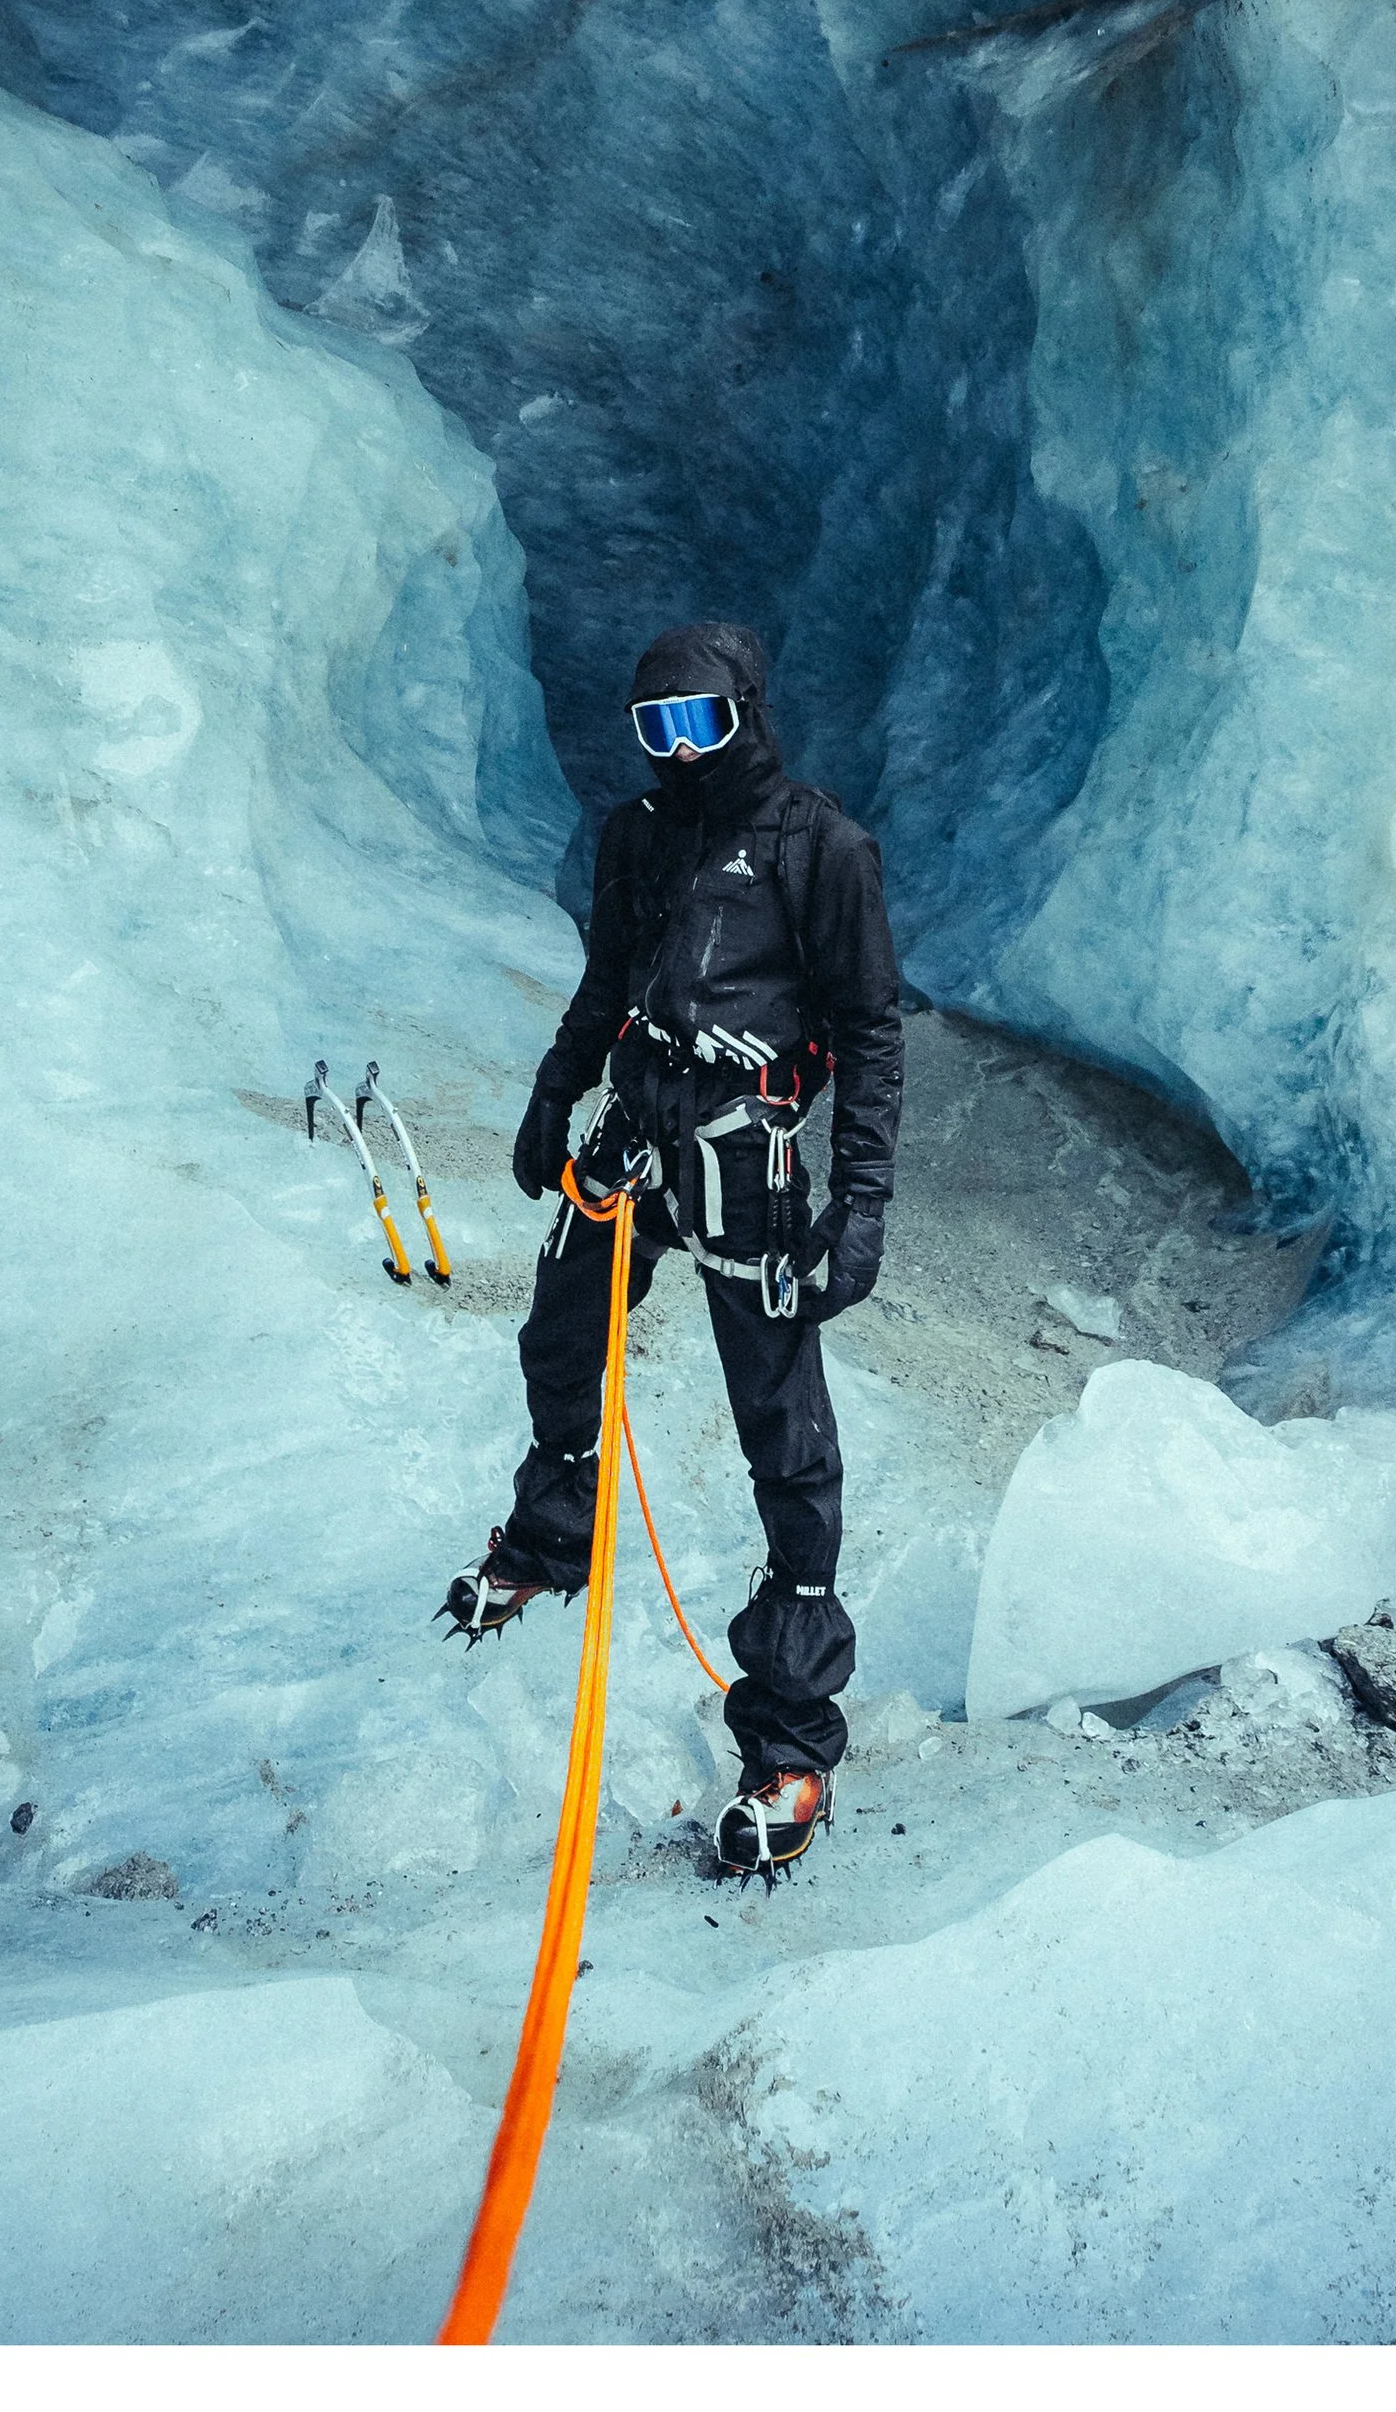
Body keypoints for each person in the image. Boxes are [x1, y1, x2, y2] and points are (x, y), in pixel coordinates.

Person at [441, 621, 904, 1881]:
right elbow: (607, 976)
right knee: (559, 1334)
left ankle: (791, 1737)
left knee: (783, 1431)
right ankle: (550, 1539)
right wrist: (557, 1085)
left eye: (699, 723)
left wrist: (856, 1207)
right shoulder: (638, 833)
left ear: (747, 712)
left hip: (742, 1159)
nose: (679, 751)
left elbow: (867, 1034)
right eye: (657, 729)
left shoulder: (825, 848)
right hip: (633, 1123)